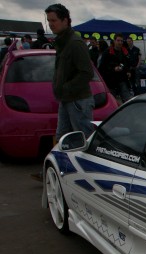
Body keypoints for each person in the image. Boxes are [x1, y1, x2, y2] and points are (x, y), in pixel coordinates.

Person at [31, 3, 95, 182]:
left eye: (54, 20)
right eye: (49, 21)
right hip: (66, 100)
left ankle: (88, 178)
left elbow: (86, 73)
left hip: (78, 100)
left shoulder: (75, 43)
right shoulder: (62, 41)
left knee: (82, 141)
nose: (51, 24)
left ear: (65, 20)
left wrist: (66, 88)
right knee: (62, 138)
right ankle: (55, 172)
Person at [99, 33, 132, 102]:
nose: (120, 42)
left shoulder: (125, 51)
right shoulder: (107, 52)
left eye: (121, 41)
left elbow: (127, 63)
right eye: (118, 40)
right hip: (111, 81)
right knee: (112, 101)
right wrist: (113, 69)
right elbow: (102, 67)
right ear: (114, 41)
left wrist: (128, 71)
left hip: (122, 79)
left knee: (127, 99)